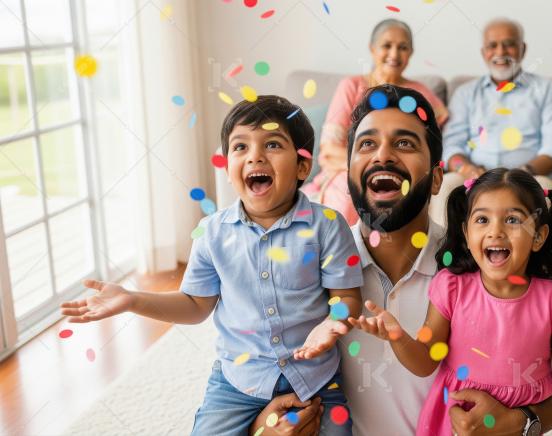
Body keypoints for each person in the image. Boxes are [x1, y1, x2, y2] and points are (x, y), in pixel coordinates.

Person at [60, 96, 364, 436]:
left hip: (316, 379)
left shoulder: (328, 225)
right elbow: (194, 304)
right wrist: (133, 299)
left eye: (273, 144)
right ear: (227, 165)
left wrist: (332, 325)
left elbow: (347, 296)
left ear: (303, 166)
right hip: (238, 383)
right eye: (240, 147)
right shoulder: (211, 232)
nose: (255, 156)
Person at [338, 84, 552, 436]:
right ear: (348, 169)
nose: (383, 156)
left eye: (405, 143)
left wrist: (522, 422)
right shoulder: (321, 264)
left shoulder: (479, 262)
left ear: (437, 177)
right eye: (367, 143)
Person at [351, 168, 552, 435]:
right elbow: (425, 360)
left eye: (512, 220)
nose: (495, 230)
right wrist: (396, 335)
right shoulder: (451, 288)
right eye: (482, 219)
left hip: (518, 423)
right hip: (456, 419)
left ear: (538, 236)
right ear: (467, 233)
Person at [302, 18, 448, 226]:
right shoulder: (351, 86)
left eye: (403, 47)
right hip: (346, 171)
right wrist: (368, 167)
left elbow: (434, 146)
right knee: (348, 191)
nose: (394, 54)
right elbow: (329, 150)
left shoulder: (421, 93)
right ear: (372, 49)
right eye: (387, 46)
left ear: (411, 53)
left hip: (402, 174)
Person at [431, 18, 552, 225]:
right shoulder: (465, 93)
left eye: (509, 44)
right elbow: (451, 145)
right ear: (483, 53)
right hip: (474, 176)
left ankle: (542, 259)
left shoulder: (547, 90)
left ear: (522, 49)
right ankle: (443, 257)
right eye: (492, 45)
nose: (500, 52)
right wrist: (467, 170)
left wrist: (523, 174)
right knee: (448, 186)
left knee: (547, 193)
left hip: (531, 176)